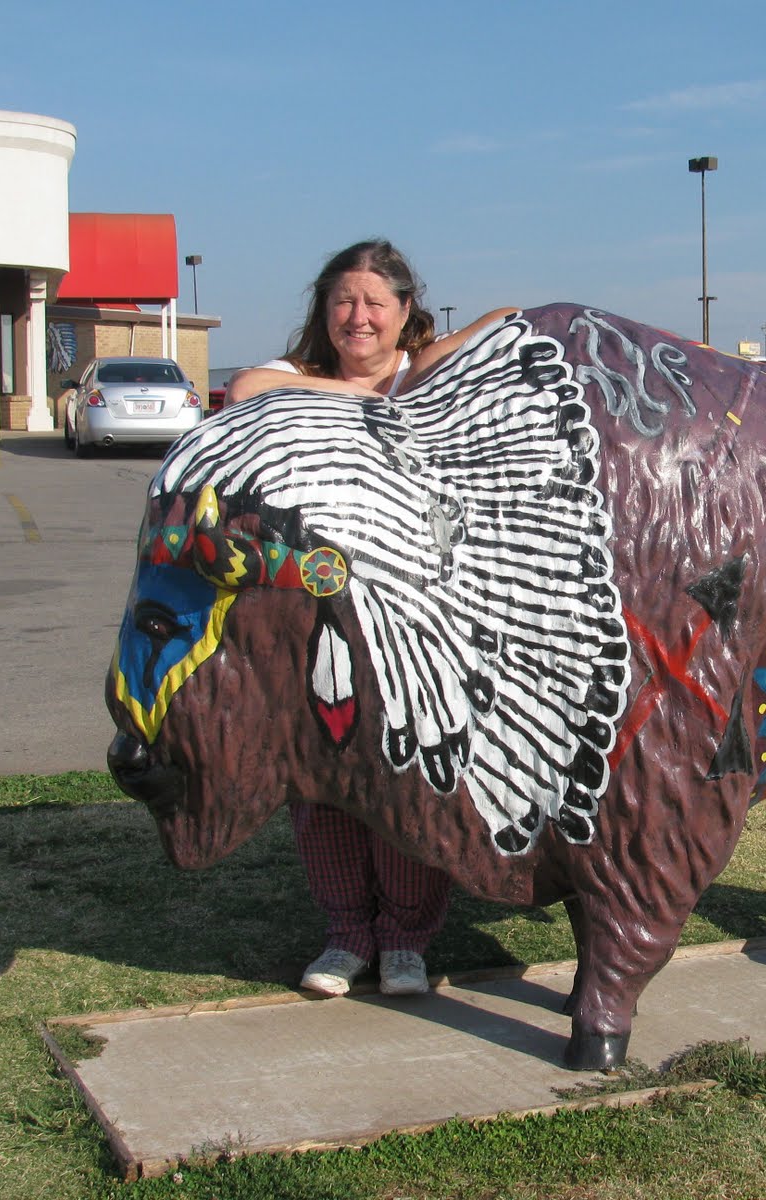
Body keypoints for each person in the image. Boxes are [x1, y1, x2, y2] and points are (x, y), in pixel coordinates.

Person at [227, 239, 513, 997]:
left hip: (412, 618)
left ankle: (407, 944)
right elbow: (245, 389)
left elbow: (509, 318)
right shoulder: (294, 378)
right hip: (308, 616)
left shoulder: (424, 374)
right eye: (344, 302)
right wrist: (378, 399)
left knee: (407, 775)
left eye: (376, 303)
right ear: (324, 311)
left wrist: (428, 361)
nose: (359, 317)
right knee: (322, 784)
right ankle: (347, 935)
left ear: (404, 312)